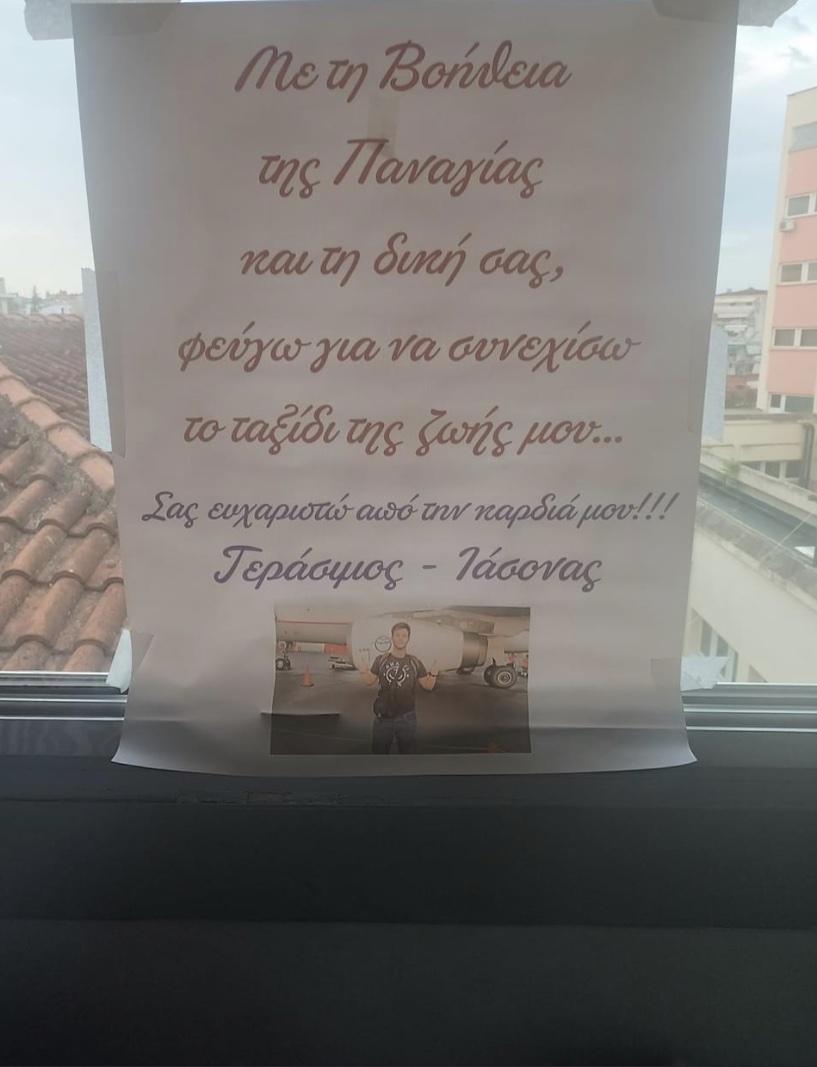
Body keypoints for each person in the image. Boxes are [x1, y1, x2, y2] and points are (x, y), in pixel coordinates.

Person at [358, 622, 438, 754]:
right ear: (392, 637)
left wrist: (433, 674)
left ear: (408, 638)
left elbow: (428, 685)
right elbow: (369, 681)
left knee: (407, 758)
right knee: (378, 757)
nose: (400, 638)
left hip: (407, 719)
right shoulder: (381, 660)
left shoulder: (415, 662)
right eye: (397, 635)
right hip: (383, 719)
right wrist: (363, 671)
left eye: (404, 635)